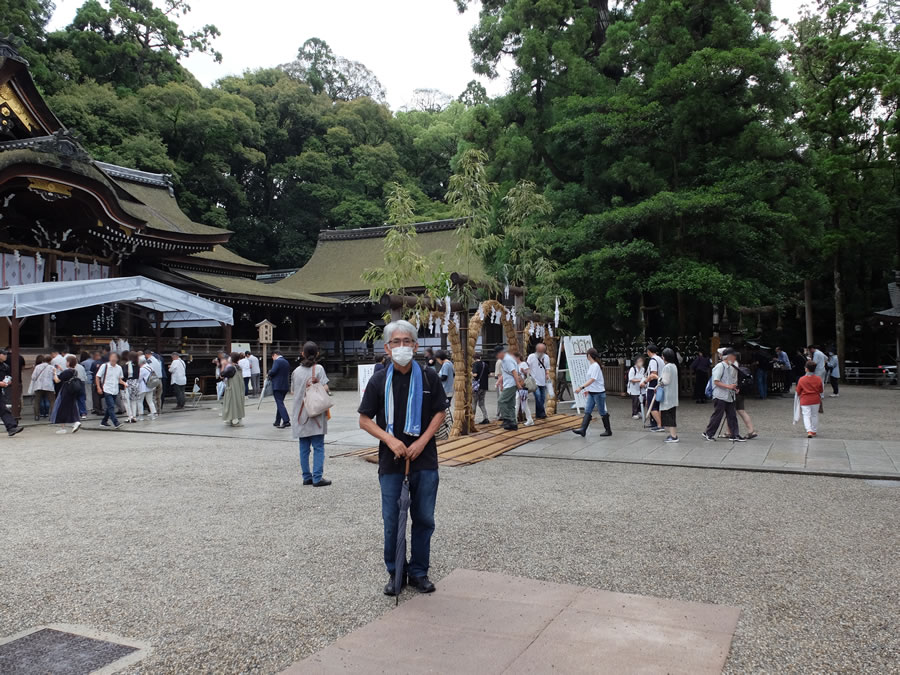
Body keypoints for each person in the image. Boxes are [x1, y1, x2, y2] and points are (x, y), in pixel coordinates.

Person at [358, 320, 446, 596]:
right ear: (387, 348)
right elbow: (364, 419)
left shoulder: (429, 376)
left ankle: (419, 571)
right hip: (391, 462)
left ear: (416, 345)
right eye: (396, 342)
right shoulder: (379, 380)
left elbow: (440, 412)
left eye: (407, 341)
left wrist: (421, 441)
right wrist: (390, 439)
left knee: (424, 518)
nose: (402, 347)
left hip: (425, 460)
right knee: (393, 520)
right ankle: (395, 572)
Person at [291, 342, 332, 487]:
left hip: (300, 413)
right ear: (317, 354)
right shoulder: (318, 368)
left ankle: (306, 476)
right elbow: (326, 387)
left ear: (302, 353)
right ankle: (317, 477)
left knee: (304, 447)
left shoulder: (296, 371)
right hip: (315, 412)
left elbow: (293, 391)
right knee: (318, 446)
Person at [702, 349, 746, 442]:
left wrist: (734, 387)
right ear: (728, 357)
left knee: (732, 415)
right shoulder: (720, 366)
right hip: (720, 395)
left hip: (729, 395)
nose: (735, 358)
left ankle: (735, 434)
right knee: (718, 415)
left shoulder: (731, 367)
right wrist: (729, 386)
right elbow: (716, 381)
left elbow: (729, 381)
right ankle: (709, 433)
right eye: (733, 356)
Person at [572, 347, 611, 437]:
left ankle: (608, 430)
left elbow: (593, 379)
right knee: (588, 410)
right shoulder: (592, 366)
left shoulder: (595, 366)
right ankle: (583, 429)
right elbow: (591, 380)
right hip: (592, 392)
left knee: (602, 412)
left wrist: (581, 387)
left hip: (598, 393)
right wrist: (587, 390)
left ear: (589, 355)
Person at [50, 355, 82, 434]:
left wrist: (54, 373)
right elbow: (67, 376)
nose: (66, 363)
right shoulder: (75, 371)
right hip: (72, 391)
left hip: (65, 391)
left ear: (69, 362)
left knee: (62, 408)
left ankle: (63, 428)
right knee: (72, 407)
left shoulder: (67, 372)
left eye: (67, 361)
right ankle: (76, 421)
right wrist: (61, 369)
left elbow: (57, 380)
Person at [496, 345, 523, 431]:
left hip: (511, 384)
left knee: (502, 400)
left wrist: (518, 383)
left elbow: (514, 372)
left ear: (501, 353)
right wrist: (500, 382)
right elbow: (506, 373)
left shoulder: (507, 360)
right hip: (509, 383)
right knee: (511, 404)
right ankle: (513, 423)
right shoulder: (505, 359)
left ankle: (507, 419)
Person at [795, 361, 825, 438]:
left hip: (805, 400)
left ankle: (809, 431)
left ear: (807, 369)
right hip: (815, 399)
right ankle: (814, 431)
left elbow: (798, 391)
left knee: (806, 415)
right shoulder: (818, 379)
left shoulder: (802, 379)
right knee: (814, 415)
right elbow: (821, 390)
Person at [96, 353, 126, 429]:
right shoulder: (104, 366)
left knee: (110, 407)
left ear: (117, 359)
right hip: (107, 389)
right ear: (109, 358)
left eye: (115, 357)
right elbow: (97, 376)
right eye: (112, 357)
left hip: (115, 389)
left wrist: (124, 383)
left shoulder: (119, 368)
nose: (113, 359)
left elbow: (119, 379)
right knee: (111, 406)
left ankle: (104, 421)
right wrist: (98, 387)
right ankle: (116, 423)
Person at [0, 350, 25, 437]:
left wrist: (8, 381)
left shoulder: (5, 366)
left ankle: (11, 428)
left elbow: (8, 376)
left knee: (3, 409)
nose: (5, 356)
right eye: (4, 354)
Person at [659, 348, 679, 443]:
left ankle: (673, 436)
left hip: (668, 395)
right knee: (672, 415)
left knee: (669, 416)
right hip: (673, 395)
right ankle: (673, 434)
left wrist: (658, 379)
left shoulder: (667, 367)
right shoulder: (674, 366)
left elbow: (665, 381)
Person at [643, 344, 664, 431]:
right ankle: (657, 423)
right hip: (660, 383)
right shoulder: (660, 359)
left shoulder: (653, 360)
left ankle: (659, 425)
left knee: (651, 406)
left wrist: (645, 381)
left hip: (653, 384)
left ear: (649, 351)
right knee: (657, 405)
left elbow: (653, 374)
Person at [526, 343, 551, 419]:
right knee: (538, 396)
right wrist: (528, 375)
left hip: (543, 381)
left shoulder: (546, 357)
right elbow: (528, 366)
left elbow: (547, 368)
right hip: (534, 381)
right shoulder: (531, 356)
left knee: (542, 398)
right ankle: (542, 413)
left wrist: (547, 375)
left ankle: (538, 414)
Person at [221, 352, 245, 426]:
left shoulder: (231, 368)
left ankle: (233, 420)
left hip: (232, 389)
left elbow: (222, 375)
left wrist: (223, 365)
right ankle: (235, 419)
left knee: (231, 404)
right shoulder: (238, 367)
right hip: (239, 388)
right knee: (238, 403)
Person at [269, 350, 291, 428]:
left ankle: (286, 420)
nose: (273, 359)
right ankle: (277, 421)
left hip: (277, 385)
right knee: (280, 403)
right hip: (285, 385)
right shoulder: (286, 362)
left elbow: (273, 371)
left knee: (279, 403)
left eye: (272, 357)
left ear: (275, 355)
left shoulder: (277, 361)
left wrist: (269, 373)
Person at [31, 355, 55, 420]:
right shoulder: (52, 367)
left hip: (38, 385)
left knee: (37, 401)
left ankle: (36, 416)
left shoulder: (37, 367)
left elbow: (33, 377)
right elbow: (54, 378)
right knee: (52, 401)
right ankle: (52, 416)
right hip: (49, 386)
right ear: (49, 361)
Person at [515, 353, 535, 427]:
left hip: (523, 385)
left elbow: (528, 372)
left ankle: (515, 419)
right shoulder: (515, 365)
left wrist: (524, 372)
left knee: (520, 402)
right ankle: (529, 419)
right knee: (522, 403)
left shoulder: (523, 364)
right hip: (518, 386)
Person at [471, 352, 491, 424]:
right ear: (480, 357)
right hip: (484, 386)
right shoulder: (485, 364)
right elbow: (489, 374)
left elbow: (475, 374)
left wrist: (470, 373)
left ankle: (472, 419)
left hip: (477, 387)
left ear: (474, 359)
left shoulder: (475, 364)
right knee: (482, 403)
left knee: (474, 403)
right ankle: (486, 418)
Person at [123, 352, 141, 423]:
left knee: (126, 401)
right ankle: (134, 416)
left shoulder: (128, 364)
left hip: (129, 383)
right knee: (134, 401)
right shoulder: (138, 364)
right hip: (136, 383)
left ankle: (129, 416)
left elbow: (125, 374)